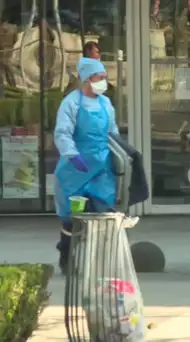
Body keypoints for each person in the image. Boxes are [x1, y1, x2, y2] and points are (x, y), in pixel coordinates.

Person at [54, 57, 118, 274]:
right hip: (76, 169)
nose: (103, 82)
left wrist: (119, 155)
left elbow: (113, 133)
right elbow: (62, 133)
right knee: (73, 218)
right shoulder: (71, 103)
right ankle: (66, 254)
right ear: (87, 79)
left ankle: (100, 261)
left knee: (103, 212)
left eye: (104, 78)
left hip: (102, 167)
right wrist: (72, 155)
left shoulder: (105, 104)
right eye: (100, 78)